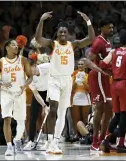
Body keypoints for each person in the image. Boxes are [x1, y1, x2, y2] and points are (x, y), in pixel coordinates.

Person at [35, 11, 105, 154]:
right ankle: (49, 141)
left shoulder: (73, 44)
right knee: (53, 109)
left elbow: (91, 38)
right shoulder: (52, 44)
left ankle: (55, 141)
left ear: (68, 34)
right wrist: (41, 20)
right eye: (60, 31)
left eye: (64, 32)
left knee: (62, 112)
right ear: (57, 33)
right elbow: (38, 38)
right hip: (54, 80)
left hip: (67, 80)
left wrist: (88, 22)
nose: (62, 34)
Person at [0, 39, 33, 156]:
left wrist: (25, 85)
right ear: (7, 47)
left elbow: (30, 76)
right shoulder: (0, 62)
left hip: (19, 93)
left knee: (21, 121)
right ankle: (9, 146)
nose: (16, 47)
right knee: (7, 118)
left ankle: (17, 139)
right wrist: (2, 83)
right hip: (6, 93)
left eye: (16, 45)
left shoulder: (23, 60)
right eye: (13, 45)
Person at [87, 16, 114, 151]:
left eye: (112, 27)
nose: (111, 29)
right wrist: (101, 70)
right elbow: (88, 61)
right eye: (109, 27)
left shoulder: (107, 41)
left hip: (105, 77)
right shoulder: (98, 42)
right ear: (102, 28)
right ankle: (94, 141)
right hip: (98, 76)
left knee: (109, 109)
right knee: (100, 108)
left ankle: (103, 139)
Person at [99, 30, 126, 153]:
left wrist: (112, 70)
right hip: (125, 84)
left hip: (114, 84)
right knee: (124, 115)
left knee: (116, 115)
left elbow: (102, 64)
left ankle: (105, 141)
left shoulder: (113, 51)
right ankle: (121, 144)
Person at [23, 52, 50, 150]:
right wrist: (44, 105)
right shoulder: (29, 78)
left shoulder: (47, 67)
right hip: (39, 93)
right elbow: (35, 93)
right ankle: (31, 141)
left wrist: (50, 102)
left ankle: (49, 141)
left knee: (49, 115)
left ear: (35, 65)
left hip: (50, 91)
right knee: (33, 117)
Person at [71, 60, 91, 136]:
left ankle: (85, 135)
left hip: (85, 98)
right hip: (75, 97)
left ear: (85, 66)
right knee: (76, 118)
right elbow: (71, 89)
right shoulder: (73, 75)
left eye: (82, 64)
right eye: (79, 64)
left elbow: (89, 89)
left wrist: (83, 81)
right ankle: (76, 135)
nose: (80, 65)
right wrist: (75, 81)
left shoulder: (88, 76)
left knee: (85, 118)